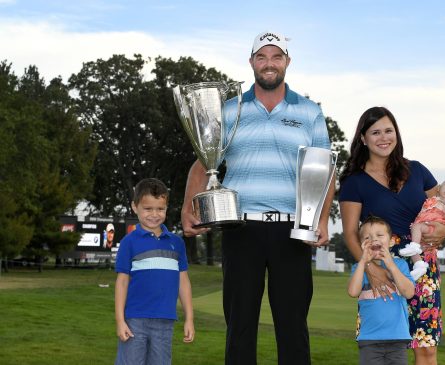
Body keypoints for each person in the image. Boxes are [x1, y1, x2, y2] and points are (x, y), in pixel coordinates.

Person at [181, 31, 334, 365]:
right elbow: (203, 162)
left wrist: (321, 218)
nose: (269, 64)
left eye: (276, 57)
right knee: (239, 326)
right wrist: (187, 207)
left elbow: (324, 169)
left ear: (287, 62)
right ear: (251, 62)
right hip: (240, 228)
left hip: (292, 230)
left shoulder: (309, 112)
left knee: (293, 328)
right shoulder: (230, 109)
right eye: (262, 57)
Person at [339, 106, 445, 365]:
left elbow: (442, 216)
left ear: (397, 134)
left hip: (421, 265)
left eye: (389, 131)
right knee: (383, 345)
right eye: (375, 132)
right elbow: (349, 233)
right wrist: (371, 270)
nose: (383, 137)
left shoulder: (417, 170)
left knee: (425, 346)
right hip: (380, 264)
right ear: (363, 138)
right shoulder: (353, 181)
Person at [115, 178, 194, 365]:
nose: (154, 214)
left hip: (165, 321)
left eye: (160, 209)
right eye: (148, 208)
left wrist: (189, 318)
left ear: (167, 208)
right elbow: (122, 282)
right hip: (135, 320)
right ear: (135, 207)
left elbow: (183, 281)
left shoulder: (176, 243)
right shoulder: (129, 242)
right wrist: (120, 320)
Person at [348, 215, 415, 365]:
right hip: (369, 339)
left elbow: (409, 292)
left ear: (391, 241)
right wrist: (363, 262)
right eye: (367, 237)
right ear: (361, 244)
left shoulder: (401, 265)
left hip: (397, 338)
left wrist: (390, 264)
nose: (374, 240)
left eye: (379, 235)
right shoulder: (359, 269)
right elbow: (353, 292)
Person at [400, 178, 445, 280]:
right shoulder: (434, 199)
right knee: (414, 249)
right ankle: (419, 265)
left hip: (432, 227)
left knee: (416, 229)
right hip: (424, 230)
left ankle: (414, 246)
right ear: (439, 187)